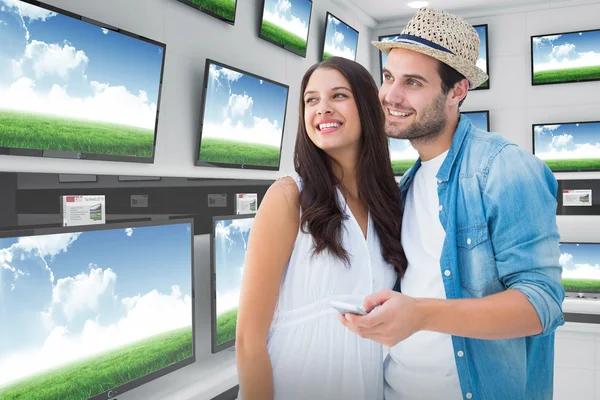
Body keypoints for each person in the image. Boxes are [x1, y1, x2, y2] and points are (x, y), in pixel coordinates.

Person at [338, 7, 565, 400]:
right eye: (389, 77)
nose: (390, 95)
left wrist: (422, 314)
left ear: (457, 90)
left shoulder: (504, 168)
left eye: (412, 82)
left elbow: (541, 304)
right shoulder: (407, 184)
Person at [235, 56, 408, 400]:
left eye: (338, 96)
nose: (322, 109)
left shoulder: (389, 203)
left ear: (367, 108)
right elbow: (248, 340)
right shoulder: (289, 197)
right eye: (311, 100)